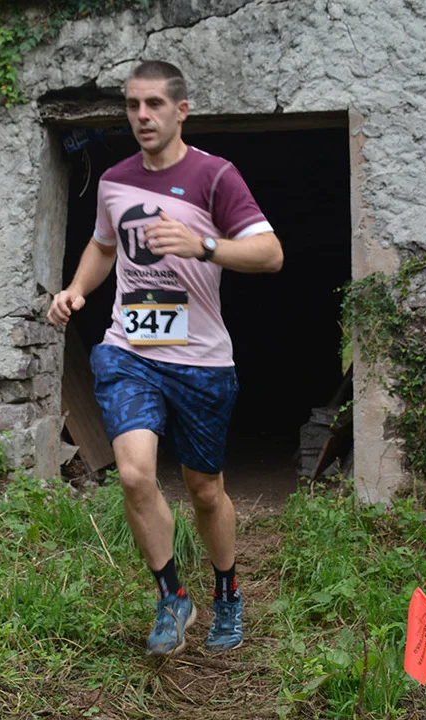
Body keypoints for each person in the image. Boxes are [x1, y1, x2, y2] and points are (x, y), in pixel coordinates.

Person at [47, 60, 283, 656]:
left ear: (181, 110)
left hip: (202, 360)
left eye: (154, 104)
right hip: (130, 350)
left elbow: (270, 254)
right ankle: (172, 596)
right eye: (132, 105)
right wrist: (76, 289)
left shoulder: (214, 176)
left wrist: (203, 244)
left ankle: (227, 591)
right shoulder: (114, 180)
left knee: (204, 489)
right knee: (134, 474)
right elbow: (103, 246)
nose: (142, 116)